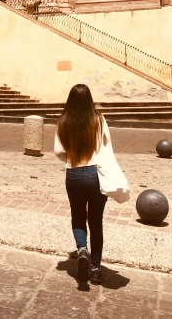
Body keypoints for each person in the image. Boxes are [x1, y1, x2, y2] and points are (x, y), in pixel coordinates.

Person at [54, 83, 112, 285]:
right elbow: (106, 147)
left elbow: (58, 151)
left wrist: (71, 158)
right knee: (96, 221)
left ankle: (82, 250)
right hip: (96, 173)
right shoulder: (99, 119)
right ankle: (96, 269)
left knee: (78, 216)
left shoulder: (63, 121)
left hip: (74, 173)